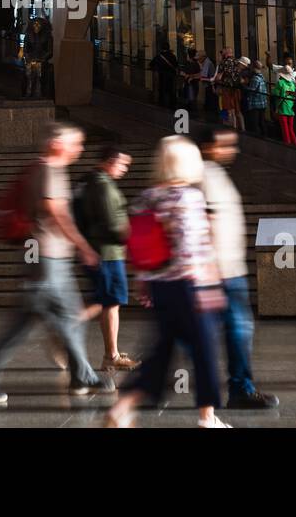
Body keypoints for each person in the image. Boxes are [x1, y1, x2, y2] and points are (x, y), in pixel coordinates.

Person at [0, 123, 113, 404]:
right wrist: (83, 246)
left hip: (48, 259)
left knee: (64, 320)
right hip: (46, 261)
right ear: (58, 144)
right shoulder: (50, 170)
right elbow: (56, 212)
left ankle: (81, 377)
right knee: (34, 324)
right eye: (75, 143)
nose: (79, 149)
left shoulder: (42, 168)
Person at [104, 136, 227, 428]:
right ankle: (207, 419)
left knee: (161, 351)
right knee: (205, 349)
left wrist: (144, 280)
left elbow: (138, 244)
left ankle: (122, 408)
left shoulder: (147, 197)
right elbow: (189, 245)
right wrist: (208, 279)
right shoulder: (189, 197)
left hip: (160, 286)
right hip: (189, 284)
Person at [198, 128, 280, 409]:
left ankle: (238, 387)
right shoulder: (205, 175)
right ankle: (239, 389)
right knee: (236, 329)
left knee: (230, 330)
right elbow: (206, 224)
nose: (232, 150)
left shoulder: (216, 175)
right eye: (225, 145)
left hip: (229, 269)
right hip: (220, 272)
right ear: (208, 146)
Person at [71, 144, 137, 371]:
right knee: (110, 301)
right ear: (110, 161)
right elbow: (113, 225)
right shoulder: (104, 187)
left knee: (105, 300)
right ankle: (109, 354)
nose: (125, 169)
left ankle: (112, 353)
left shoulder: (87, 181)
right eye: (123, 164)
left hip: (97, 250)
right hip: (107, 253)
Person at [273, 65, 296, 146]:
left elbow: (276, 94)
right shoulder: (292, 84)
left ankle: (288, 146)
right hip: (291, 108)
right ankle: (295, 145)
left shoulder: (280, 83)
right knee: (291, 129)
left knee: (285, 129)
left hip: (282, 108)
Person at [244, 59, 268, 136]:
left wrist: (244, 85)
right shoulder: (262, 77)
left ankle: (257, 137)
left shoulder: (255, 78)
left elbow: (252, 90)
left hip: (256, 103)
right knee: (262, 121)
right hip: (263, 102)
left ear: (254, 68)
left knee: (255, 122)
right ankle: (265, 136)